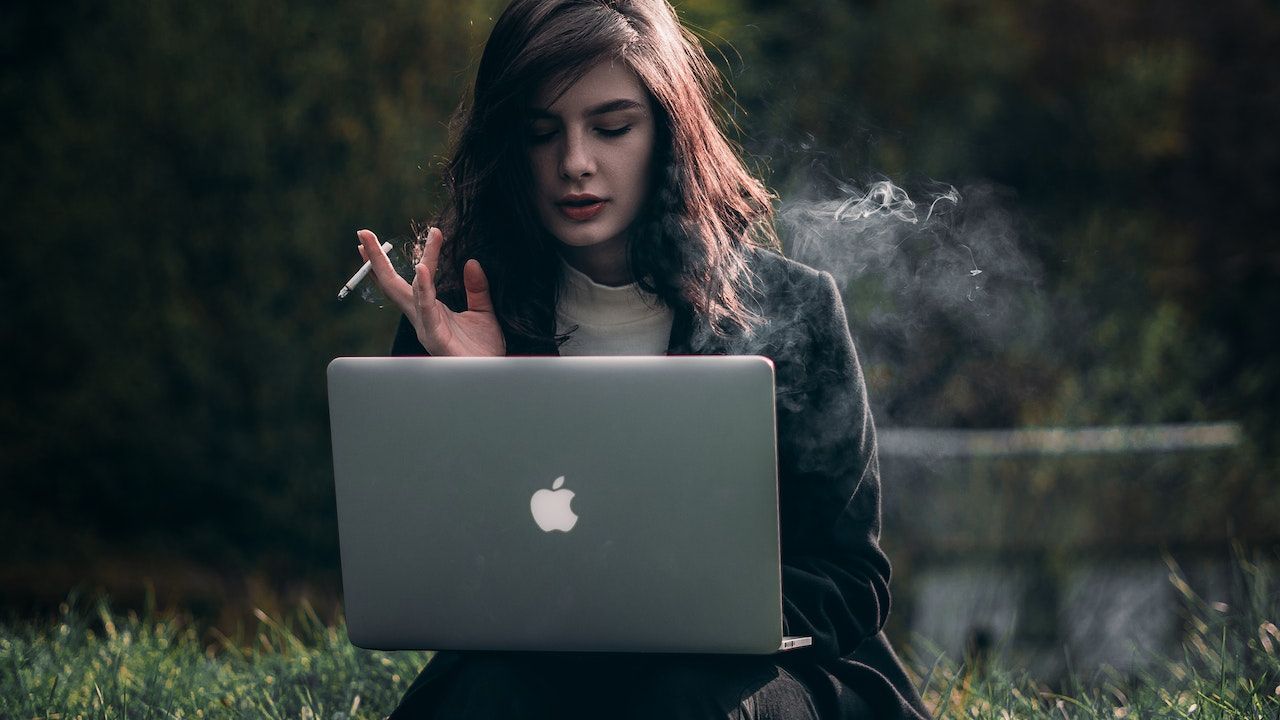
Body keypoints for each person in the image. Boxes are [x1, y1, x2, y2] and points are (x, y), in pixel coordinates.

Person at [355, 0, 932, 717]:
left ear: (668, 129)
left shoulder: (796, 308)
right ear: (509, 146)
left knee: (683, 698)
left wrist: (704, 616)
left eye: (612, 127)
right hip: (533, 670)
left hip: (741, 677)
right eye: (542, 133)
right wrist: (485, 397)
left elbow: (851, 577)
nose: (575, 163)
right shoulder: (455, 316)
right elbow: (425, 578)